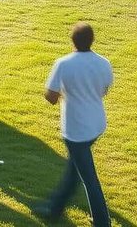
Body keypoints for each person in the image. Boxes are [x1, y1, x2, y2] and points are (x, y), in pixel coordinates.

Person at [30, 23, 113, 227]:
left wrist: (65, 93)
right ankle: (54, 209)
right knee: (75, 169)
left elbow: (51, 97)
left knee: (88, 179)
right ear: (92, 40)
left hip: (76, 130)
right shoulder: (104, 63)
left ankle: (102, 222)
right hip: (97, 125)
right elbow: (104, 90)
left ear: (72, 41)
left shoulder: (63, 64)